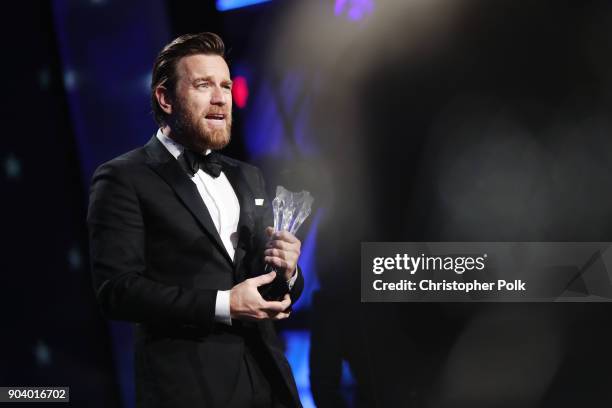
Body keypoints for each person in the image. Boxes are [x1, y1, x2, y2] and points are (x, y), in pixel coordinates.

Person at [87, 32, 304, 408]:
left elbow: (271, 291)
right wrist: (224, 304)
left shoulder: (247, 176)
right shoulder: (123, 177)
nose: (221, 98)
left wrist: (288, 271)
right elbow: (117, 291)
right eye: (203, 85)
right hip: (190, 390)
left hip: (270, 383)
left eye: (225, 85)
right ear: (165, 98)